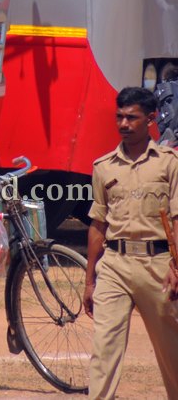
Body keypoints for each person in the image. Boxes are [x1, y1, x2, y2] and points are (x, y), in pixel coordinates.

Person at [83, 87, 178, 399]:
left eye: (131, 118)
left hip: (160, 266)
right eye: (119, 117)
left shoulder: (169, 163)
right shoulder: (103, 166)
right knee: (103, 350)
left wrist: (177, 267)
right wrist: (89, 281)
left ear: (151, 119)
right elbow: (98, 224)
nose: (123, 124)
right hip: (115, 265)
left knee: (172, 354)